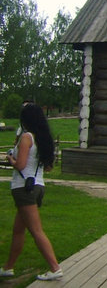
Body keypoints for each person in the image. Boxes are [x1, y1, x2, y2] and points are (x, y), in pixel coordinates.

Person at [0, 104, 63, 281]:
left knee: (36, 231)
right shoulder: (43, 139)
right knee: (18, 230)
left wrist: (11, 157)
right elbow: (49, 167)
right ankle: (8, 267)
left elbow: (20, 165)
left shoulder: (26, 138)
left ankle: (54, 267)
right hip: (38, 186)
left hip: (23, 187)